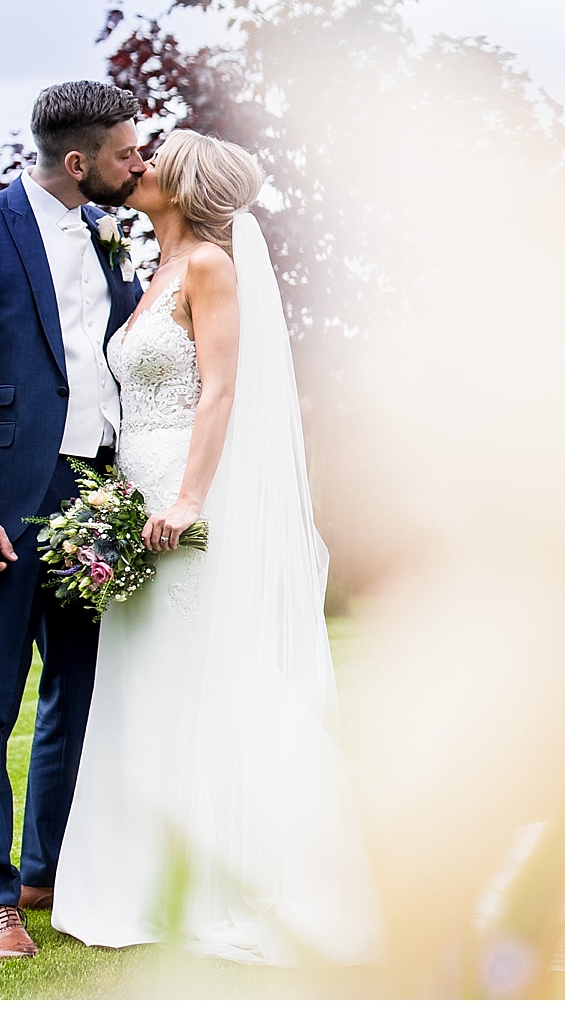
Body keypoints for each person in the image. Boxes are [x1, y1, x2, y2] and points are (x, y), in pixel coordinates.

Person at [51, 130, 379, 965]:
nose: (140, 164)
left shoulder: (209, 267)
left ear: (185, 185)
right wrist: (121, 494)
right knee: (150, 680)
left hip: (187, 501)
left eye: (154, 158)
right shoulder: (147, 271)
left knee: (212, 673)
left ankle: (245, 874)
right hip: (135, 494)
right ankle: (146, 875)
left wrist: (189, 497)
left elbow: (222, 388)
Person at [0, 81, 148, 960]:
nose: (141, 164)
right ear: (80, 160)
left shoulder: (112, 237)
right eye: (128, 153)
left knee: (80, 694)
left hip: (95, 495)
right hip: (1, 503)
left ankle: (49, 869)